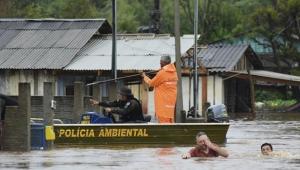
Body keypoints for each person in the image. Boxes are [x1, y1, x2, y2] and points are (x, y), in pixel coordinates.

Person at [141, 55, 178, 123]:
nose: (160, 64)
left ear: (162, 62)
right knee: (170, 121)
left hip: (162, 103)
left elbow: (152, 83)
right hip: (170, 104)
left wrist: (144, 77)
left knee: (164, 123)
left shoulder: (162, 73)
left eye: (160, 63)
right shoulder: (174, 73)